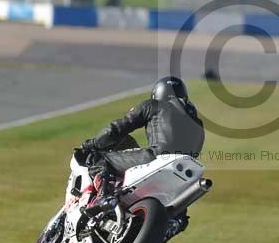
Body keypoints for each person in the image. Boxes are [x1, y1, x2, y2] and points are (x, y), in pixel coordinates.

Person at [81, 76, 204, 214]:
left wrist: (92, 144)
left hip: (157, 158)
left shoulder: (154, 105)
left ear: (158, 92)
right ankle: (176, 221)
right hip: (187, 170)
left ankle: (102, 197)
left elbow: (116, 128)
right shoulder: (198, 123)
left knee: (102, 160)